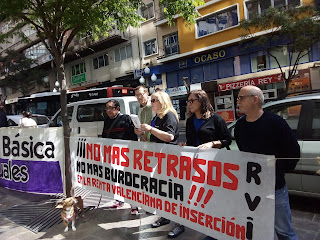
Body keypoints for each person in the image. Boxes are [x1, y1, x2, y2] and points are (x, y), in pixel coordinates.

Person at [234, 85, 299, 240]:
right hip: (251, 188)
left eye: (241, 98)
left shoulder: (276, 123)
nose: (238, 102)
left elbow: (292, 153)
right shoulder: (240, 126)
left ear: (255, 99)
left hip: (274, 188)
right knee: (255, 228)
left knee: (284, 231)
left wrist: (277, 168)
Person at [180, 90, 231, 240]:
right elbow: (191, 142)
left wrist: (212, 143)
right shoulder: (190, 121)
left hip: (213, 167)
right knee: (201, 200)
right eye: (188, 101)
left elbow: (227, 140)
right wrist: (184, 144)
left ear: (201, 101)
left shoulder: (216, 119)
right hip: (196, 166)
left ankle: (217, 233)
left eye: (192, 101)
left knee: (214, 199)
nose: (189, 104)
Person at [140, 91, 184, 238]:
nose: (151, 103)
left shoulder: (169, 115)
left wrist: (151, 129)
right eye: (151, 100)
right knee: (163, 192)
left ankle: (180, 224)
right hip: (160, 159)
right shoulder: (157, 117)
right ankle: (166, 216)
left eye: (154, 100)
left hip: (170, 160)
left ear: (163, 101)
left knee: (173, 192)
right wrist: (142, 134)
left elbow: (169, 136)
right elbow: (153, 140)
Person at [101, 99, 138, 213]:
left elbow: (133, 137)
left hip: (126, 155)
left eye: (110, 108)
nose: (108, 111)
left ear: (117, 108)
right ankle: (119, 200)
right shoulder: (106, 121)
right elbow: (104, 136)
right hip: (113, 155)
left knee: (128, 179)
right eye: (106, 108)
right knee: (116, 178)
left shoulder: (126, 119)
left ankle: (134, 205)